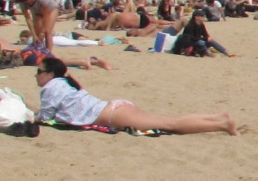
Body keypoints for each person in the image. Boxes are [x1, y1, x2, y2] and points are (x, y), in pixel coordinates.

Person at [34, 56, 237, 135]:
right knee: (168, 120)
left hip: (113, 114)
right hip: (115, 108)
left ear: (50, 74)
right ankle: (217, 117)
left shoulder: (51, 87)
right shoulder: (65, 83)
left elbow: (45, 117)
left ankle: (221, 125)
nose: (36, 75)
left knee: (170, 125)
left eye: (39, 72)